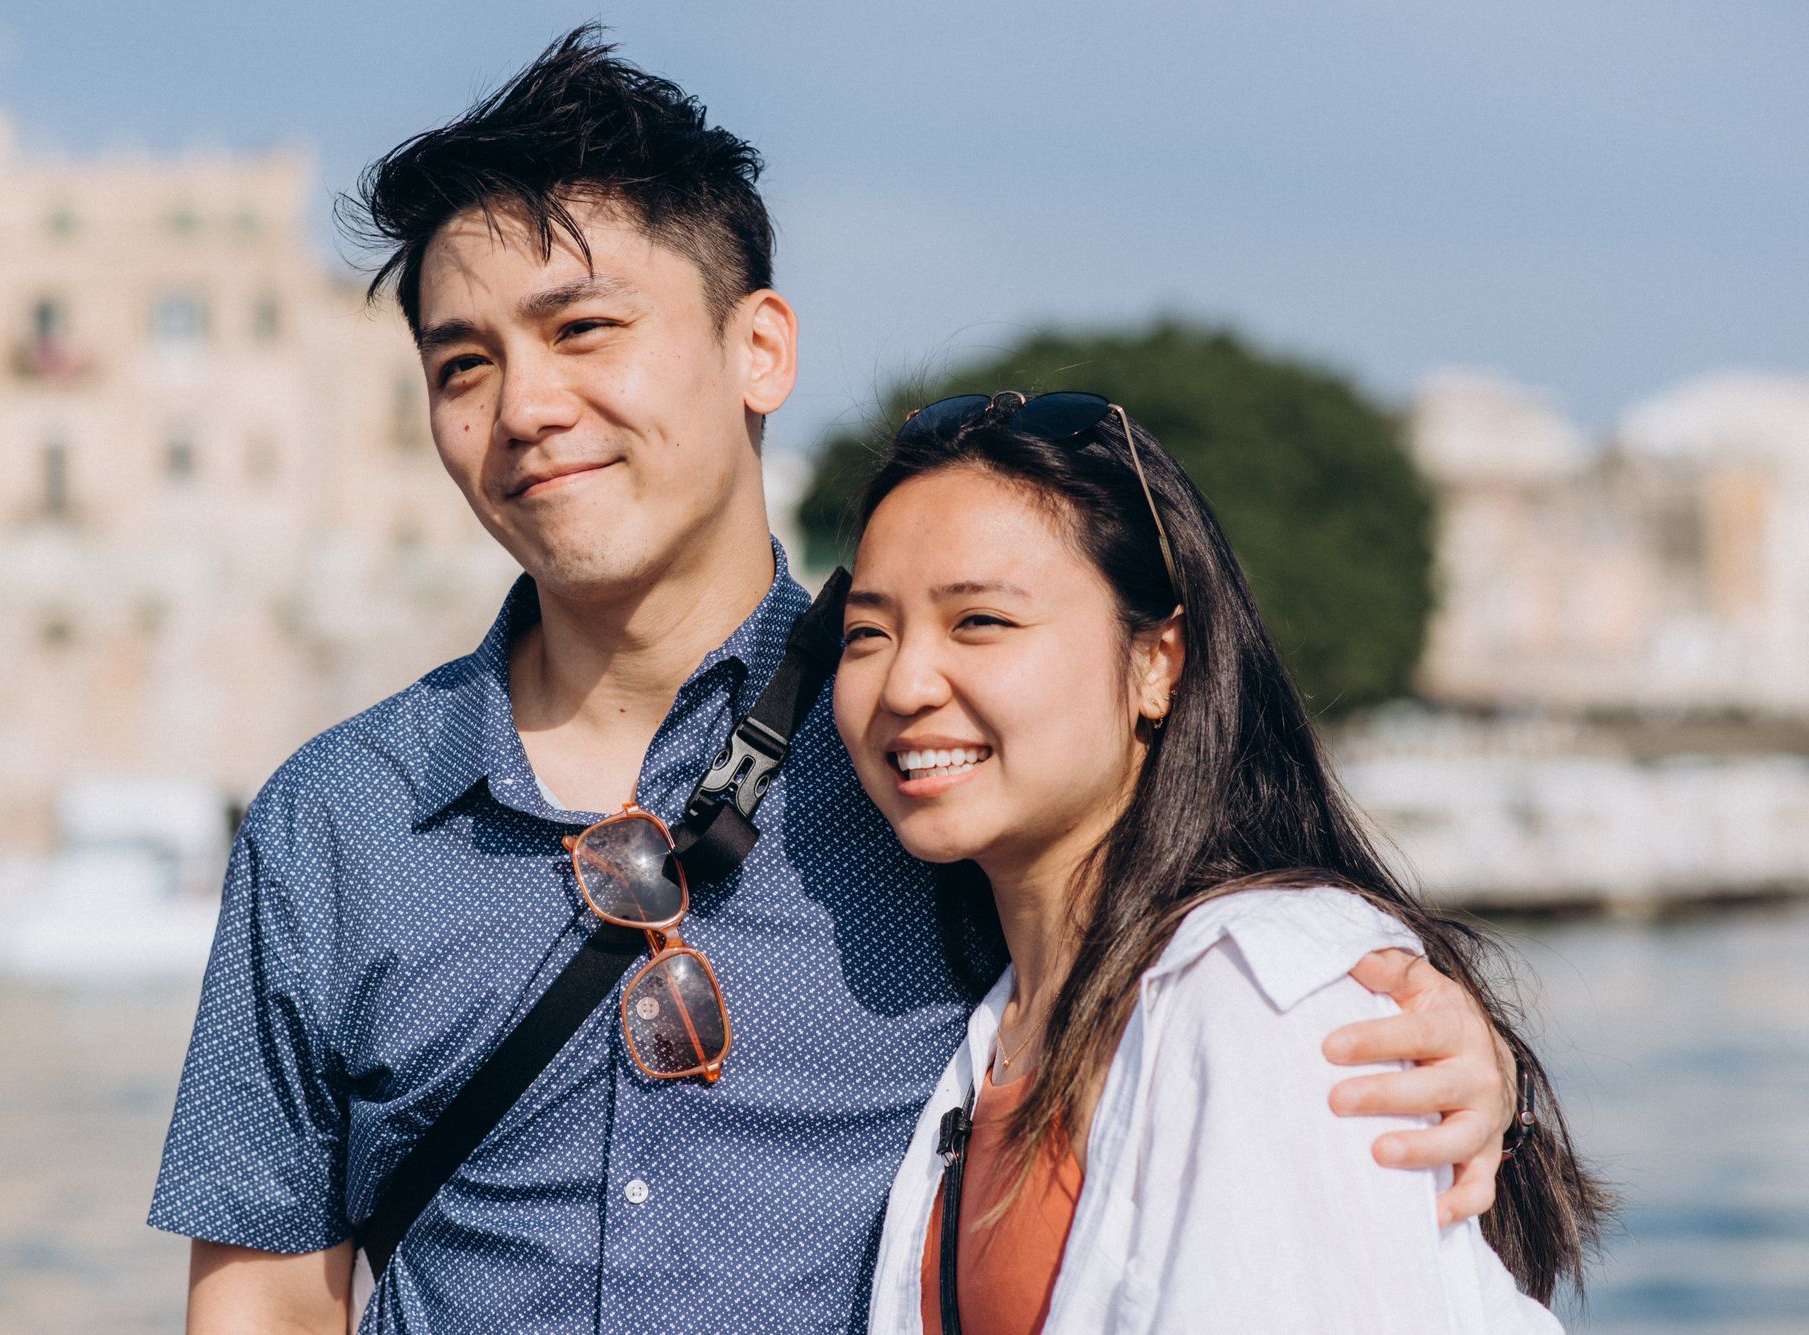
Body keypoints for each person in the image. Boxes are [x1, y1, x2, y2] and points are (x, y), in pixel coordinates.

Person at [147, 29, 1522, 1333]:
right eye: (465, 363)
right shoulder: (333, 820)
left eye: (583, 330)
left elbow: (1176, 949)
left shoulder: (926, 759)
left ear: (762, 349)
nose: (524, 408)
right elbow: (267, 1291)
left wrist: (1435, 1039)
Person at [833, 392, 1611, 1333]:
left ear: (1159, 660)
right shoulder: (997, 1029)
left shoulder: (1264, 988)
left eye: (981, 622)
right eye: (867, 633)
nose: (907, 683)